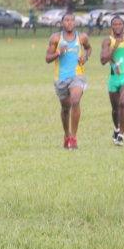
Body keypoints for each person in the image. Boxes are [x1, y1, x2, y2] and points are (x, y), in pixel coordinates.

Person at [46, 12, 92, 149]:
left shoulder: (82, 37)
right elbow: (47, 58)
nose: (70, 22)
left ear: (75, 22)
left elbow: (89, 48)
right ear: (62, 22)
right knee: (65, 109)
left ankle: (73, 137)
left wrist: (85, 57)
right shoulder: (55, 38)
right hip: (61, 78)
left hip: (77, 75)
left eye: (72, 20)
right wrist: (58, 52)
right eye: (67, 20)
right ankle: (66, 135)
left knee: (75, 100)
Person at [99, 16, 124, 146]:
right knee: (115, 109)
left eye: (120, 24)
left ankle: (121, 135)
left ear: (123, 25)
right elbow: (103, 60)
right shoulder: (108, 41)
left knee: (123, 102)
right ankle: (116, 129)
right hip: (113, 79)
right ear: (111, 27)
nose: (117, 26)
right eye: (115, 24)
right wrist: (114, 47)